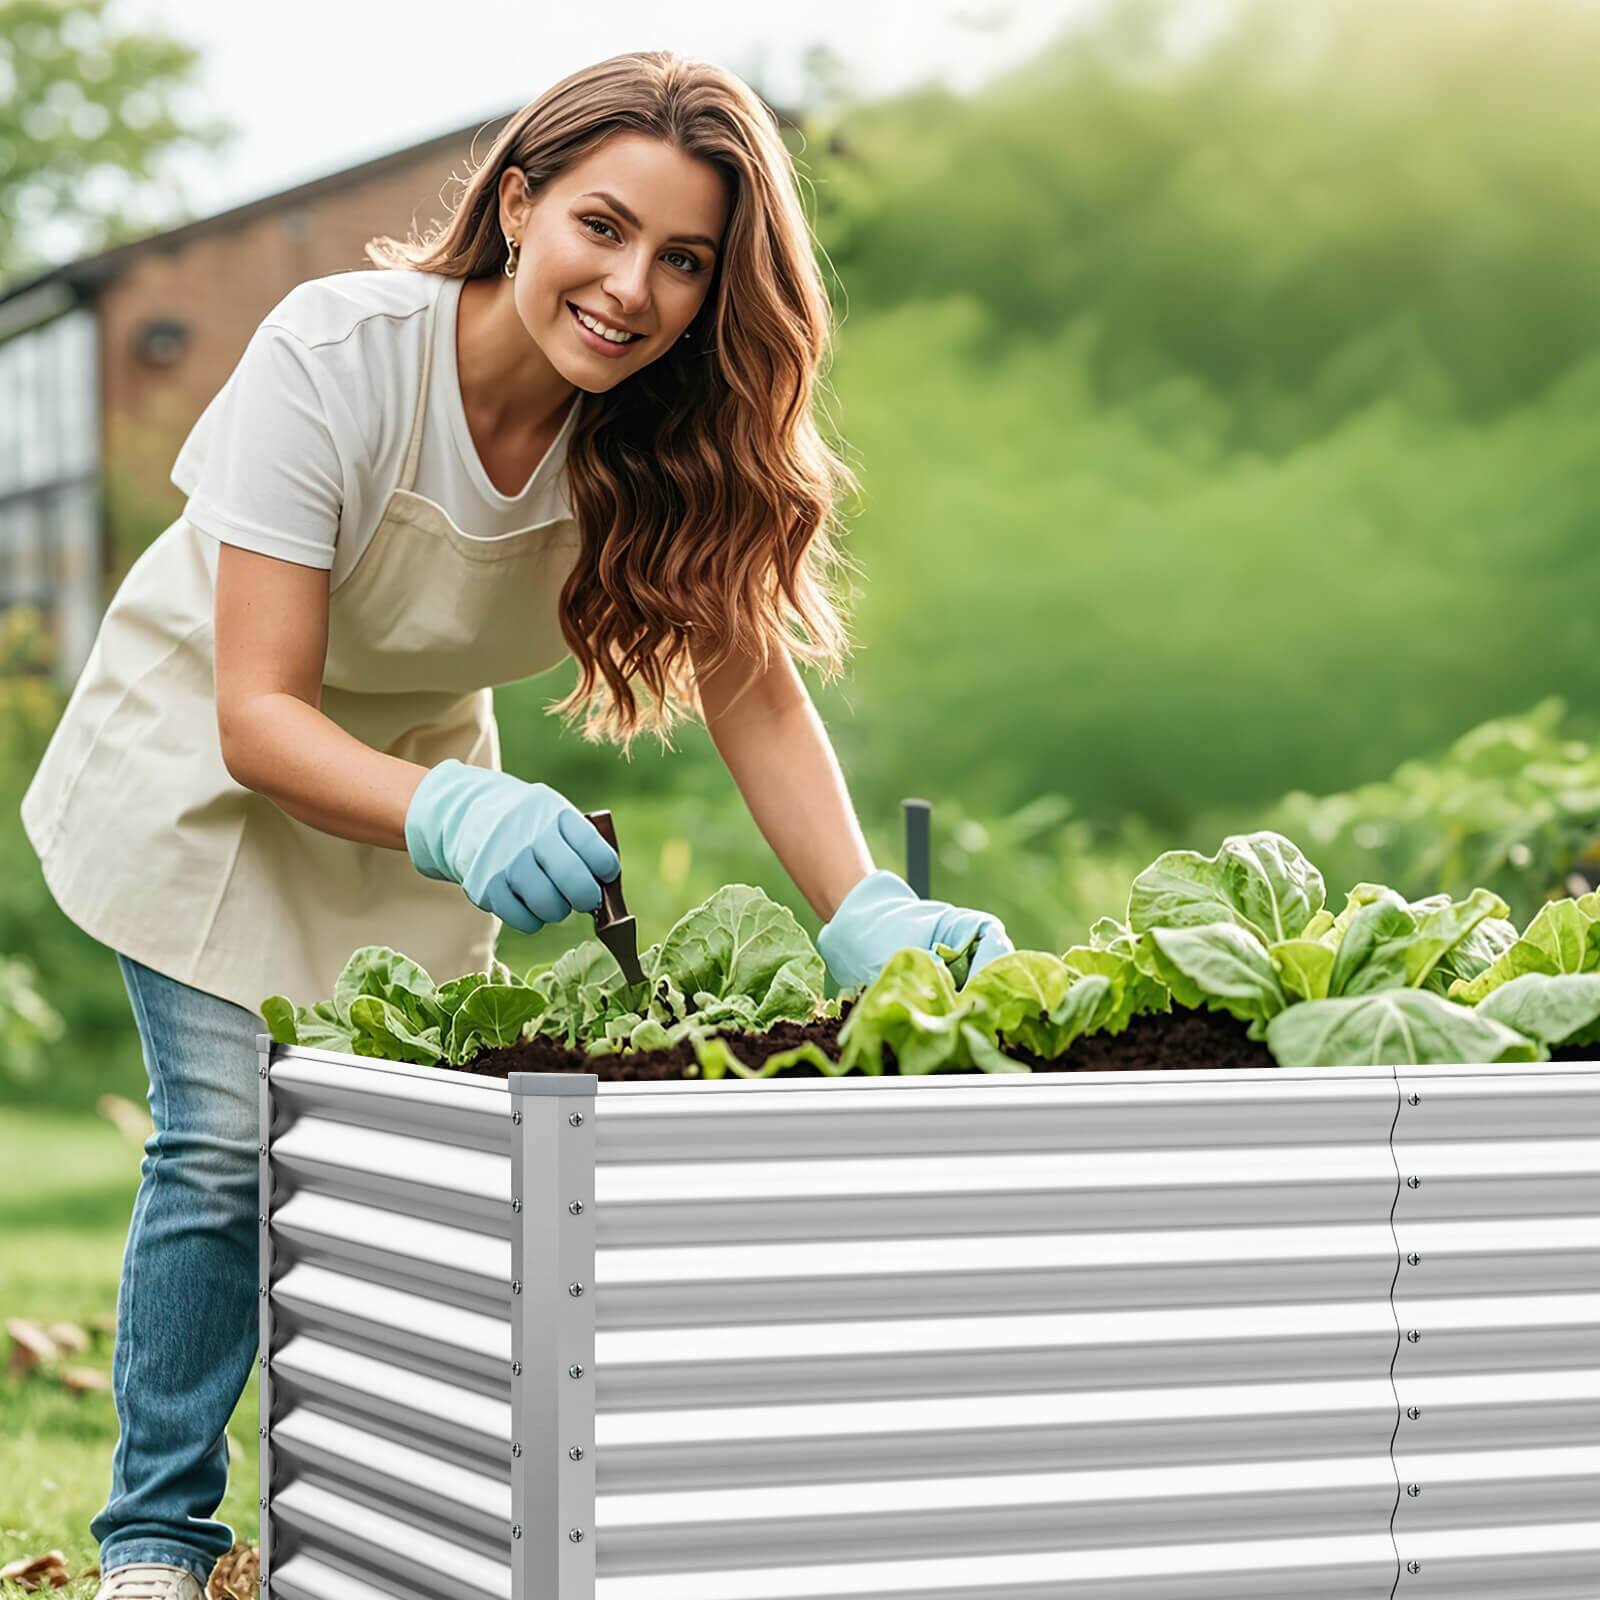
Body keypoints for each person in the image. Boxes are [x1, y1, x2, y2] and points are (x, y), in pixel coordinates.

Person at [19, 49, 1013, 1600]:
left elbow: (752, 690)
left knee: (387, 1161)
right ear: (520, 198)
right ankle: (158, 1539)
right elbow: (260, 711)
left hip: (416, 781)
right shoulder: (337, 355)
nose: (635, 288)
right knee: (222, 1148)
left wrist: (860, 905)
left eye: (685, 261)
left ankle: (363, 1517)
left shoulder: (658, 434)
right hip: (211, 761)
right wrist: (459, 808)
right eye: (604, 228)